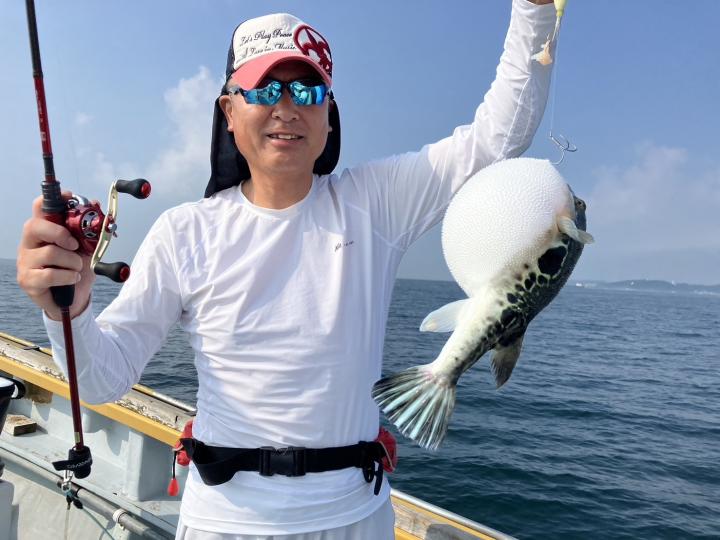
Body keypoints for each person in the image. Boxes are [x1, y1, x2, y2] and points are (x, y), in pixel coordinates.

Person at [17, 1, 557, 538]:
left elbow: (499, 138)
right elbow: (104, 378)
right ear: (229, 112)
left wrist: (532, 11)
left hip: (355, 517)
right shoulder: (185, 232)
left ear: (329, 115)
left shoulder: (375, 204)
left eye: (308, 91)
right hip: (224, 524)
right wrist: (70, 311)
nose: (287, 107)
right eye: (264, 90)